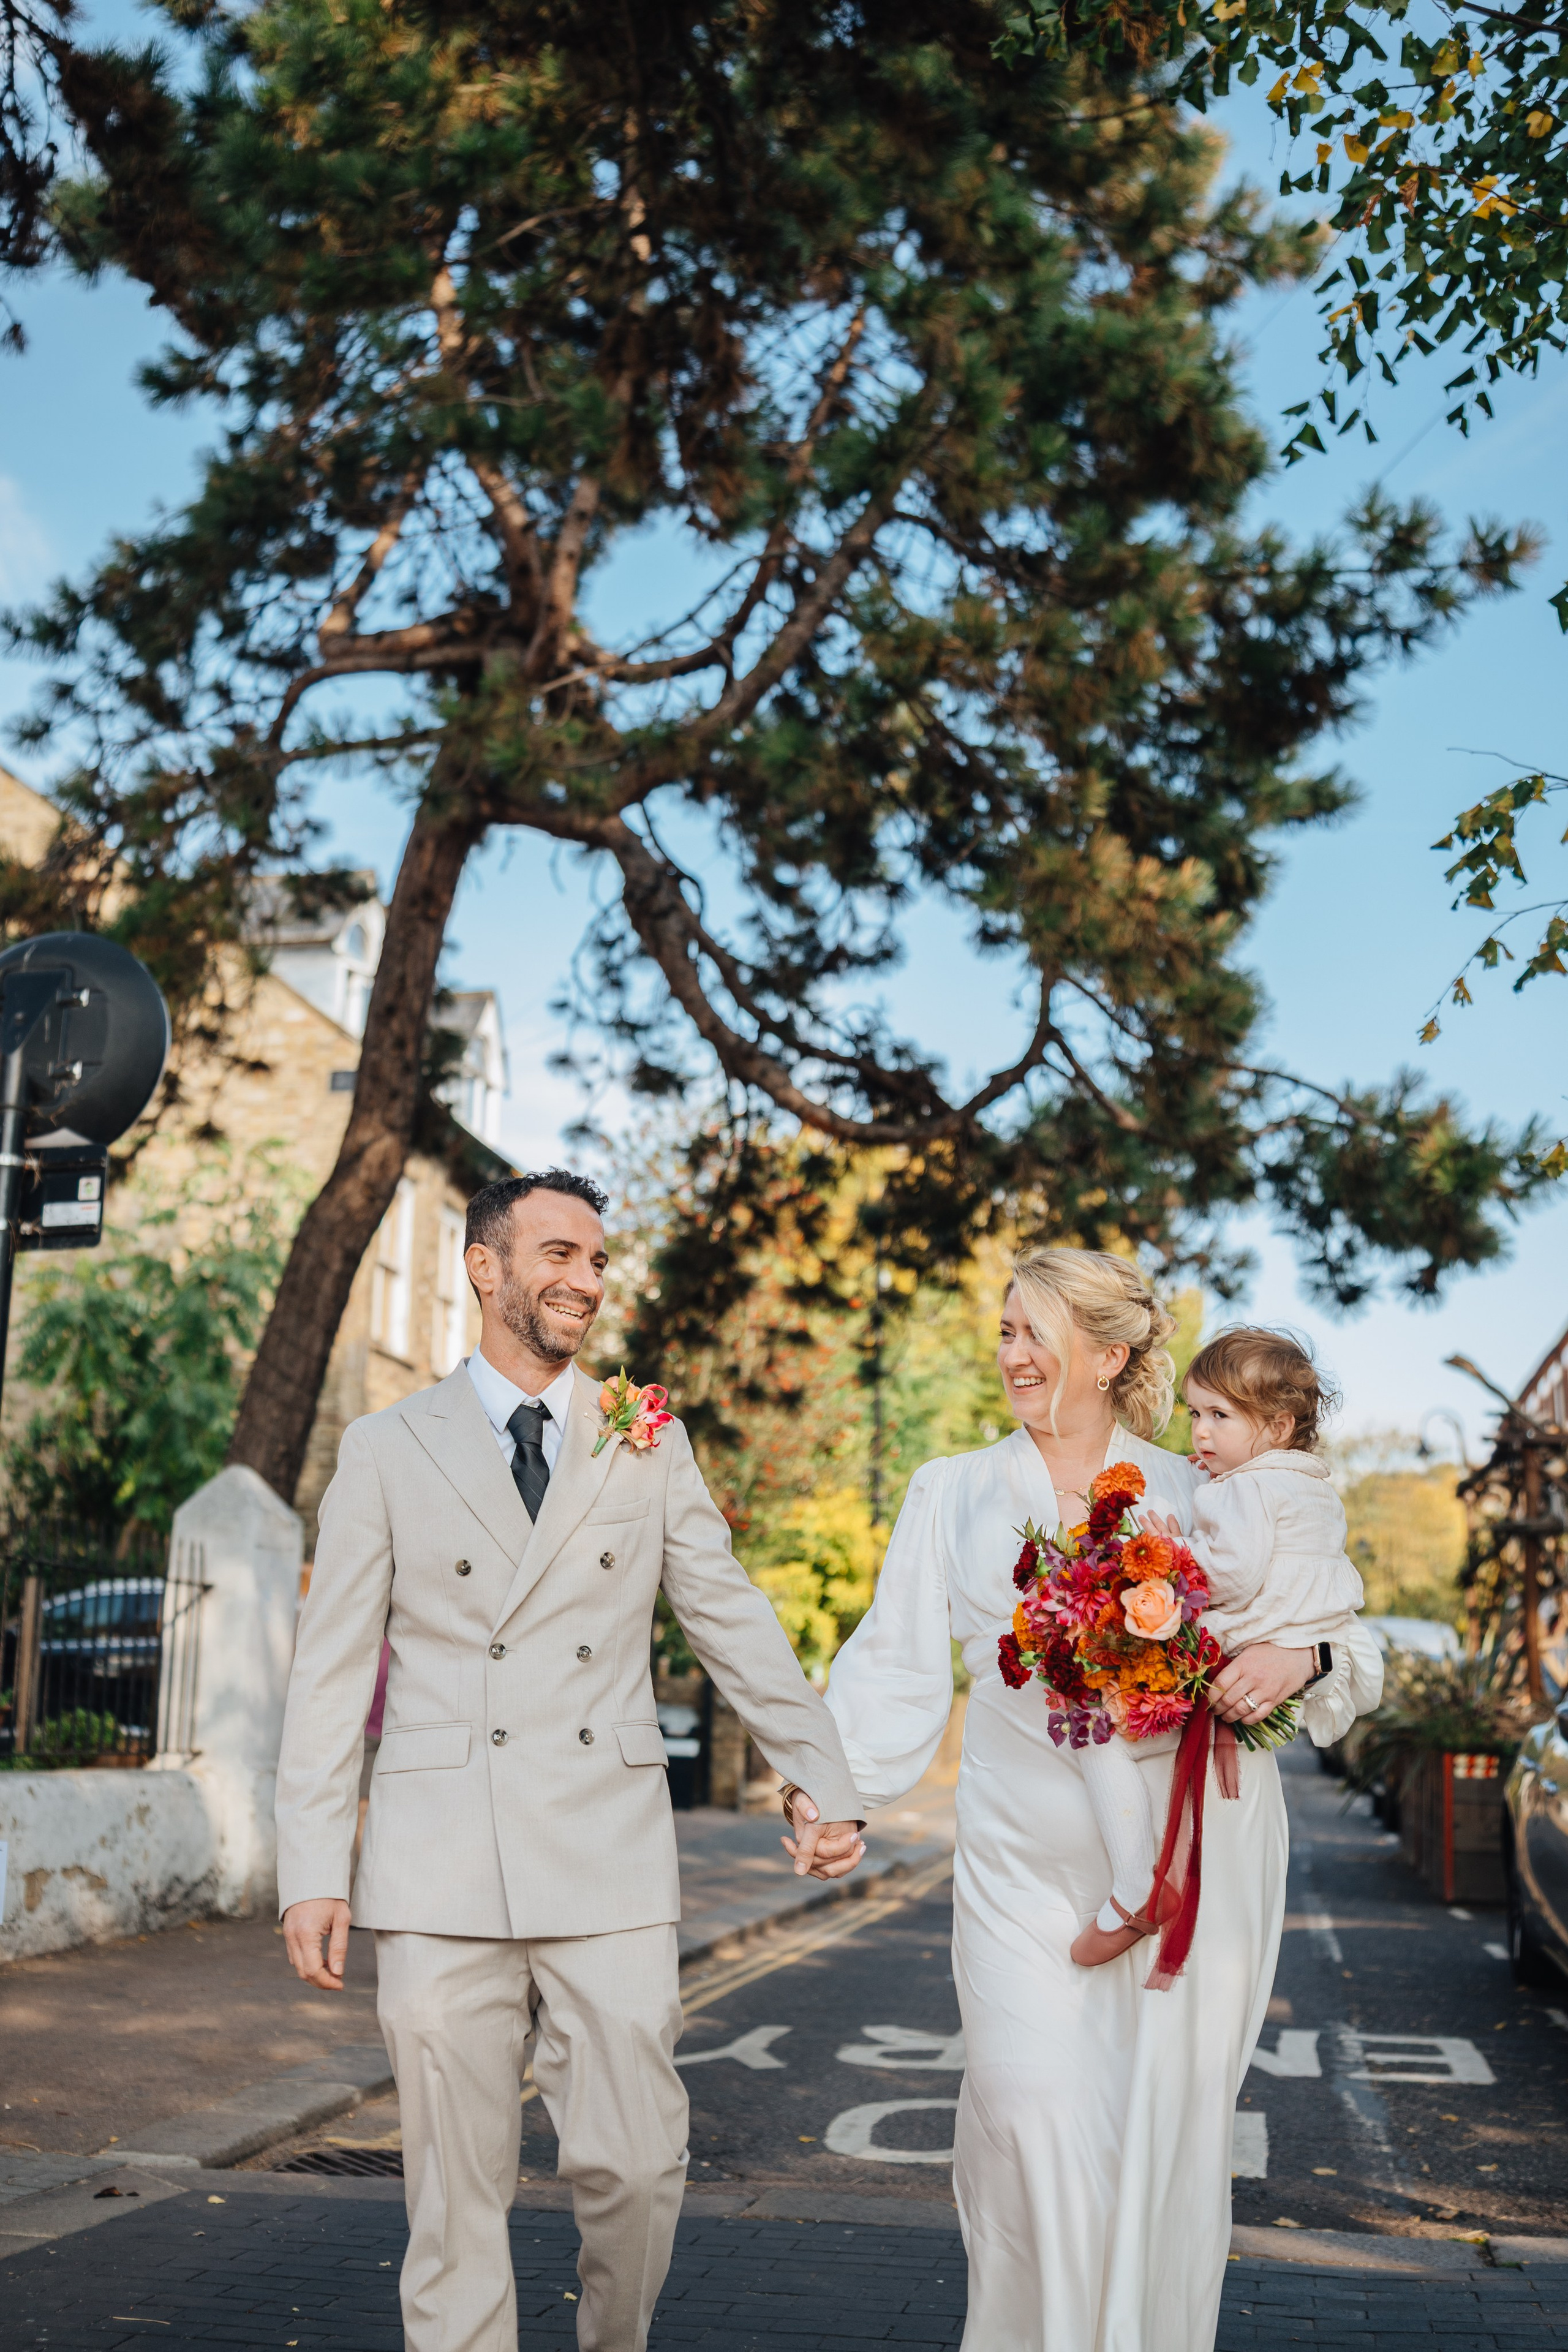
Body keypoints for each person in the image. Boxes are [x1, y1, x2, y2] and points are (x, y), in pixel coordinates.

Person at [274, 1169, 865, 2352]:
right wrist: (311, 1866)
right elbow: (332, 1669)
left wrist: (822, 1777)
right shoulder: (388, 1448)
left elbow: (729, 1616)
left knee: (641, 2165)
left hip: (606, 1848)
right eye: (558, 1255)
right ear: (484, 1268)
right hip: (441, 1861)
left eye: (597, 1260)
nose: (586, 1282)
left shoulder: (645, 1437)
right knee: (455, 2198)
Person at [824, 1245, 1382, 2352]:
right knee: (1024, 2112)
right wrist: (834, 1795)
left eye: (1035, 1332)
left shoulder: (1202, 1482)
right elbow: (892, 1663)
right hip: (1017, 1860)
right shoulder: (954, 1490)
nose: (1011, 1354)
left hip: (1195, 1855)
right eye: (1005, 1331)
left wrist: (1308, 1657)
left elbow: (1345, 1636)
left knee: (1156, 2144)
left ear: (1110, 1352)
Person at [1072, 1325, 1365, 1969]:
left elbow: (1228, 1574)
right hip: (1280, 1642)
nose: (1199, 1432)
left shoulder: (1246, 1488)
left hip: (1235, 1650)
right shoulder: (1313, 1489)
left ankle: (1134, 1886)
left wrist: (1172, 1556)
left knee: (1097, 1731)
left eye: (1219, 1416)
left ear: (1280, 1426)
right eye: (1196, 1413)